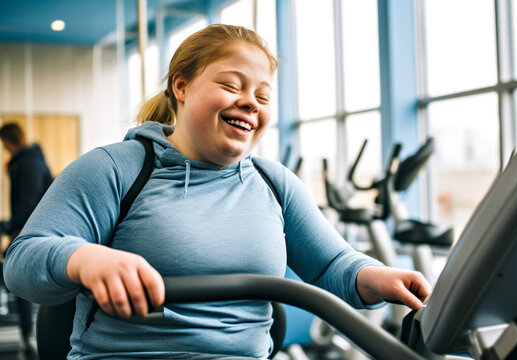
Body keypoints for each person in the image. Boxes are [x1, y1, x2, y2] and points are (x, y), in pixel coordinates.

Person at [3, 24, 431, 359]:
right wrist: (82, 258)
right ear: (181, 86)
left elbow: (333, 263)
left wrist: (379, 276)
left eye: (263, 96)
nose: (251, 103)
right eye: (232, 85)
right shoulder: (115, 168)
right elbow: (23, 260)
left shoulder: (273, 182)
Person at [0, 122, 52, 356]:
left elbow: (29, 204)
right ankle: (27, 334)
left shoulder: (29, 163)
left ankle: (29, 336)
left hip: (33, 230)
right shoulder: (25, 161)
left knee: (26, 284)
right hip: (28, 228)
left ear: (9, 141)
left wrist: (8, 227)